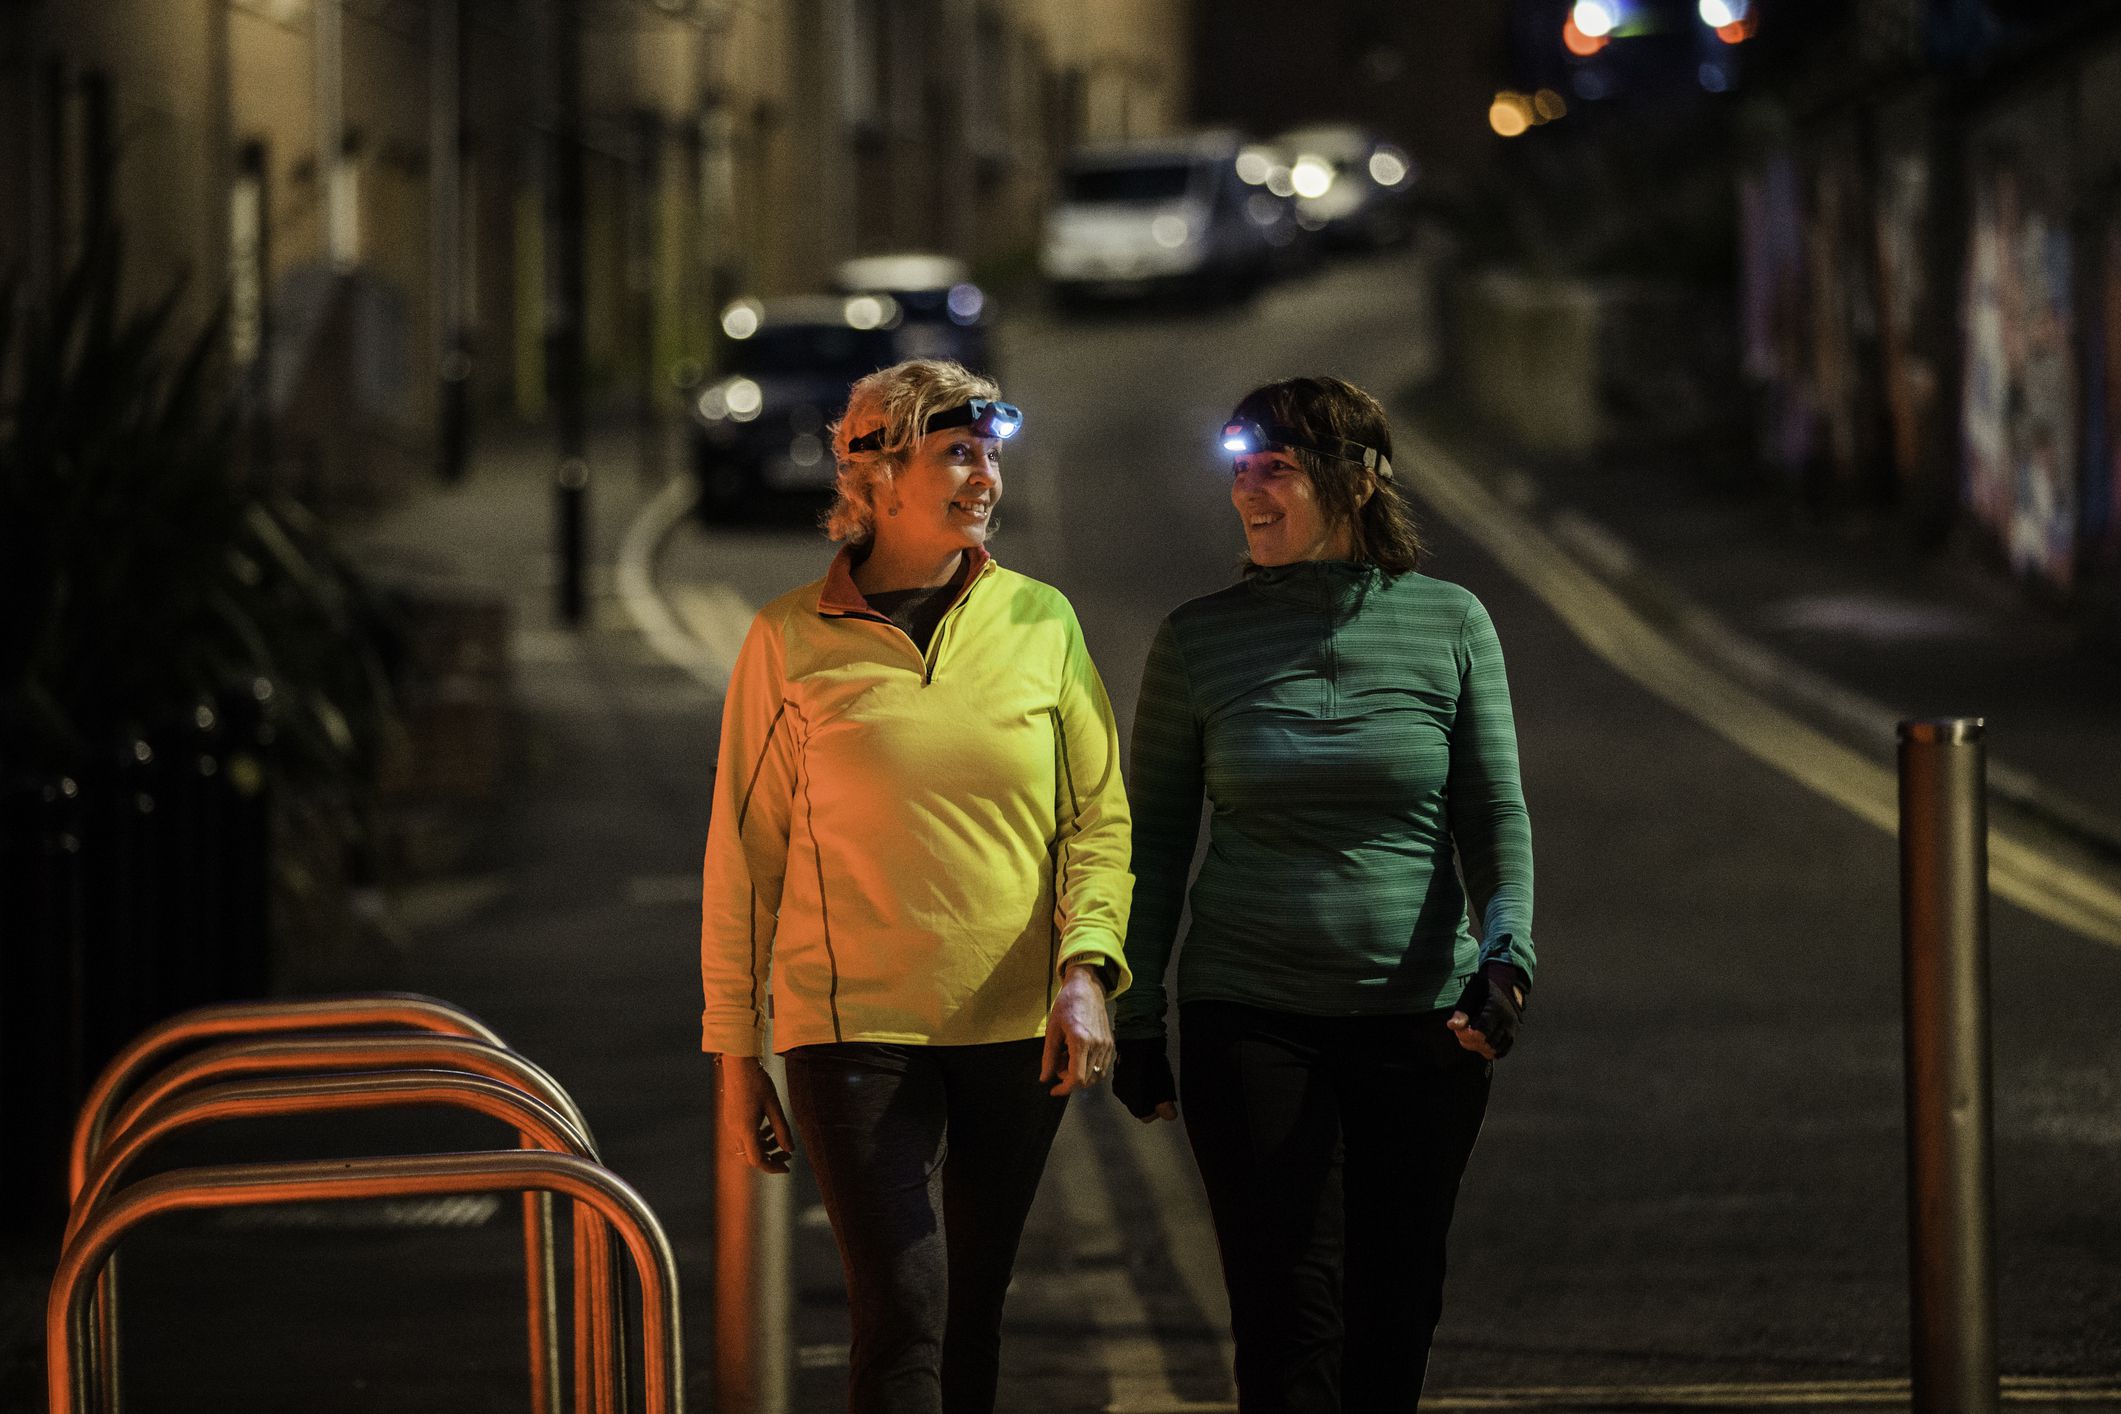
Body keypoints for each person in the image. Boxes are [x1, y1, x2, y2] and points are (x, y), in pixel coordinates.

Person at [699, 358, 1134, 1414]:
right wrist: (736, 1051)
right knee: (903, 1307)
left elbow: (1097, 817)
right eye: (956, 453)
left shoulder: (1044, 622)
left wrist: (1086, 971)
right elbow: (744, 855)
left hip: (1013, 1021)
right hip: (854, 1029)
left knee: (974, 1309)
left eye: (990, 453)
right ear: (878, 472)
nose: (984, 475)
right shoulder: (788, 640)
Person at [1111, 376, 1536, 1413]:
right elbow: (1155, 842)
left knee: (1395, 1314)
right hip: (1252, 1018)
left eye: (1276, 472)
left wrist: (1507, 956)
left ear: (1355, 481)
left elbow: (1492, 814)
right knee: (1288, 1321)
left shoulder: (1452, 622)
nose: (1248, 495)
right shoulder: (1196, 639)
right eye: (1239, 473)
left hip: (1421, 1020)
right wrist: (1136, 1014)